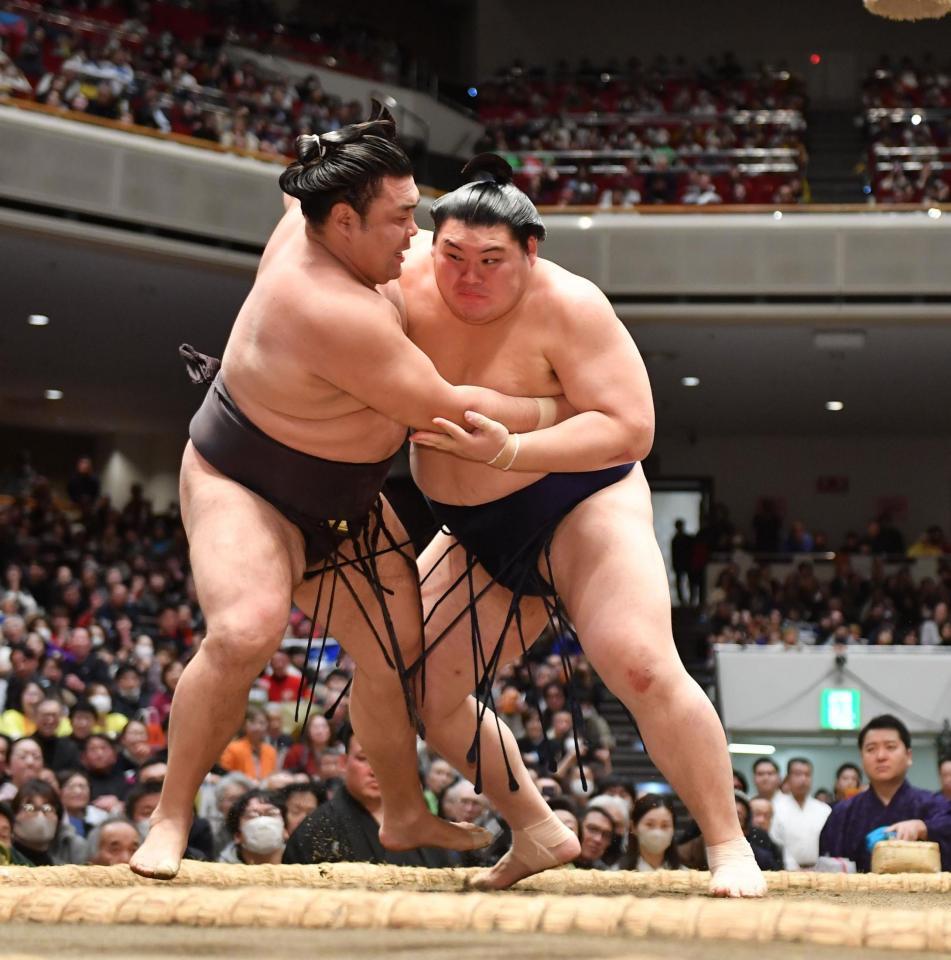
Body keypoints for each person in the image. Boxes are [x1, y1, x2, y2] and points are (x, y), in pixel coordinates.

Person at [131, 103, 561, 880]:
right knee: (244, 631)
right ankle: (169, 817)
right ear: (342, 222)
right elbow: (449, 415)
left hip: (347, 502)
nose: (416, 235)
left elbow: (297, 178)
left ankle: (399, 809)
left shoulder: (309, 216)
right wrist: (556, 410)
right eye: (401, 220)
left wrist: (351, 142)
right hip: (245, 481)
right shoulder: (330, 309)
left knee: (396, 653)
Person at [394, 154, 765, 896]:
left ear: (530, 253)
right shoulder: (397, 282)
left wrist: (515, 444)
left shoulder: (572, 306)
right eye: (453, 257)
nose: (468, 277)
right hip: (471, 530)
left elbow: (632, 426)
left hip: (577, 501)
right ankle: (535, 829)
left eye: (491, 260)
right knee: (419, 692)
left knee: (638, 662)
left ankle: (729, 846)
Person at [283, 732, 450, 867]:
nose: (376, 770)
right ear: (343, 763)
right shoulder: (316, 830)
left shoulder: (424, 826)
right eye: (364, 758)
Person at [819, 714, 951, 871]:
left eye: (890, 747)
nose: (881, 756)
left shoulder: (935, 804)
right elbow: (828, 868)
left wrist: (923, 828)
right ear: (862, 758)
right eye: (871, 749)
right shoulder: (842, 813)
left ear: (908, 756)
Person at [770, 758, 830, 870]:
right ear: (788, 778)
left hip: (819, 872)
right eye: (798, 774)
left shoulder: (824, 810)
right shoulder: (776, 808)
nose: (803, 779)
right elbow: (775, 842)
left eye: (807, 775)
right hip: (785, 871)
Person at [619, 793, 684, 871]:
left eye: (665, 825)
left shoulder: (687, 877)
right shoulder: (616, 875)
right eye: (650, 825)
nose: (657, 833)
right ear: (633, 827)